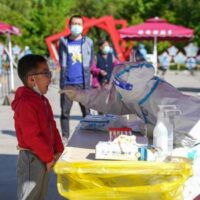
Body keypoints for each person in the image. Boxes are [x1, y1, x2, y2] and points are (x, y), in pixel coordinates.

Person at [61, 61, 200, 148]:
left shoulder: (164, 99)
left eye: (117, 87)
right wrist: (80, 95)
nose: (115, 91)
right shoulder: (138, 94)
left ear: (127, 87)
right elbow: (110, 101)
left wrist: (148, 129)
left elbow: (189, 136)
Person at [11, 54, 64, 200]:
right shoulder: (26, 103)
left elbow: (52, 126)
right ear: (31, 79)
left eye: (49, 72)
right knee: (30, 196)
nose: (50, 77)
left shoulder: (43, 100)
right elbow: (31, 136)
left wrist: (59, 149)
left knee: (40, 195)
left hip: (44, 155)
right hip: (32, 158)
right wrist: (48, 158)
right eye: (46, 73)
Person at [59, 15, 94, 143]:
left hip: (83, 83)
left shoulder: (88, 42)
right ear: (69, 25)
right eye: (74, 23)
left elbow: (91, 61)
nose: (76, 26)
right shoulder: (63, 42)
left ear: (83, 26)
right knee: (65, 113)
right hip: (67, 83)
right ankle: (65, 137)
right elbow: (61, 61)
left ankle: (89, 136)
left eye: (79, 24)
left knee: (87, 113)